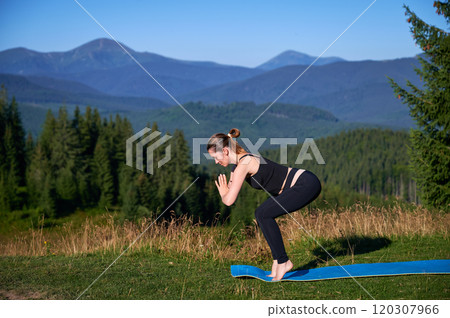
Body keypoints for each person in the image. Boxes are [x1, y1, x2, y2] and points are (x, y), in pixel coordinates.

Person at [207, 128, 322, 281]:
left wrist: (223, 194)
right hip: (299, 184)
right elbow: (230, 192)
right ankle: (278, 262)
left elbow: (229, 200)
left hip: (305, 184)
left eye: (216, 157)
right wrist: (226, 192)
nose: (216, 161)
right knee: (263, 215)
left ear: (226, 151)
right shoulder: (237, 166)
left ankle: (284, 262)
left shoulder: (244, 164)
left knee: (262, 213)